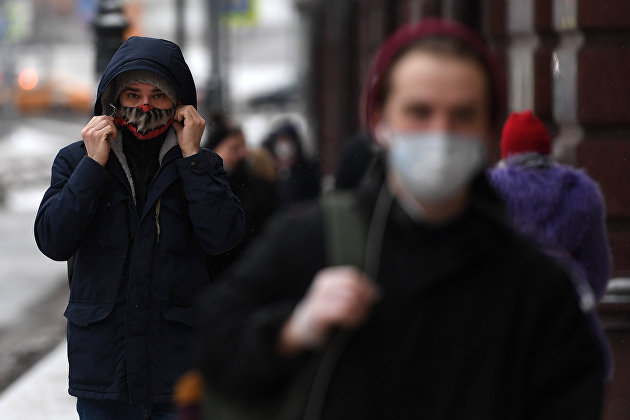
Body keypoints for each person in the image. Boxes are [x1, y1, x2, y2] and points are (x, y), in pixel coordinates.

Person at [196, 19, 605, 419]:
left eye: (463, 114)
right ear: (380, 122)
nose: (440, 132)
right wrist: (292, 330)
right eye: (419, 111)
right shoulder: (314, 241)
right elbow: (213, 345)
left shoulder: (534, 286)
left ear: (486, 129)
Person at [34, 36, 245, 419]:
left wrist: (193, 159)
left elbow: (223, 238)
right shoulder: (75, 160)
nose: (144, 106)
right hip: (105, 369)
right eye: (132, 94)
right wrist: (91, 168)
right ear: (113, 97)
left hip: (179, 369)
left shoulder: (200, 163)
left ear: (180, 103)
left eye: (158, 95)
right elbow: (53, 239)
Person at [488, 110, 612, 300]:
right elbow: (597, 267)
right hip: (564, 304)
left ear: (506, 150)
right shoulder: (579, 191)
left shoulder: (488, 191)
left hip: (505, 305)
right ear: (546, 148)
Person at [261, 120, 320, 211]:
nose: (283, 144)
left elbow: (315, 197)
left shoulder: (307, 168)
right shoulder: (270, 169)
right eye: (280, 140)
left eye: (286, 139)